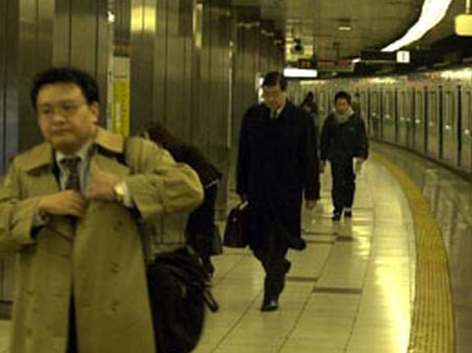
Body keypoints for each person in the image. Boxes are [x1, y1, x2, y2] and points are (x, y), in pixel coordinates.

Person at [0, 68, 202, 353]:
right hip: (49, 335)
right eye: (46, 111)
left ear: (94, 110)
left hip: (116, 329)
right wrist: (41, 207)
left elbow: (190, 186)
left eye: (68, 107)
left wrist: (123, 191)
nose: (57, 119)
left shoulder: (131, 154)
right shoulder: (26, 170)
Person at [237, 71, 320, 312]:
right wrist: (241, 186)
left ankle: (270, 294)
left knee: (279, 241)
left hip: (287, 194)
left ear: (285, 92)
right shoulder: (253, 117)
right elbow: (244, 153)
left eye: (275, 94)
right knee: (258, 243)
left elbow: (309, 158)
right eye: (267, 95)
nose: (271, 99)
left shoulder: (301, 120)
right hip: (258, 191)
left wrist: (311, 193)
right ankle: (278, 267)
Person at [144, 122, 222, 277]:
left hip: (205, 184)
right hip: (207, 182)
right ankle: (203, 261)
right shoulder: (174, 146)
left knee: (200, 224)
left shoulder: (171, 150)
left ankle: (204, 262)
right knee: (199, 224)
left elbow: (173, 175)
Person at [320, 90, 368, 221]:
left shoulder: (356, 121)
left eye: (343, 104)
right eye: (338, 104)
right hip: (336, 158)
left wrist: (362, 155)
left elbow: (362, 139)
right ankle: (337, 208)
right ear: (335, 105)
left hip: (351, 158)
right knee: (337, 183)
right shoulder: (330, 120)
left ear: (348, 105)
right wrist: (322, 158)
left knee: (349, 183)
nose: (341, 107)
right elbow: (324, 139)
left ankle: (348, 206)